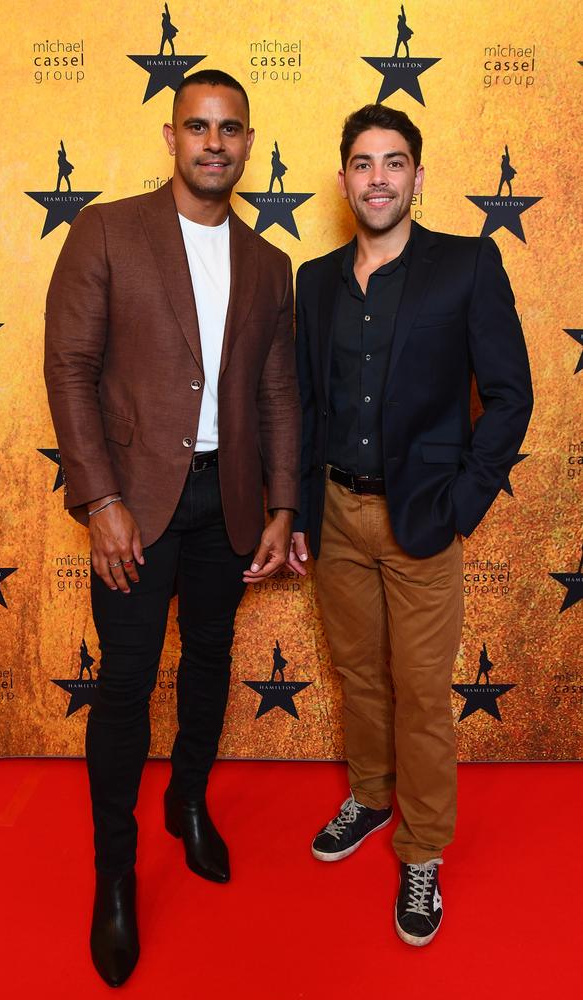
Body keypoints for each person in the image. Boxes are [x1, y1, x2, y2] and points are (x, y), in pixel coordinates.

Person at [44, 69, 300, 987]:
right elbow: (70, 368)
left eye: (230, 129)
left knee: (209, 661)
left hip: (225, 504)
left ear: (248, 140)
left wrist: (280, 505)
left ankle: (188, 803)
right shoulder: (106, 230)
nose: (214, 143)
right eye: (198, 126)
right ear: (171, 135)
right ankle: (115, 876)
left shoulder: (270, 265)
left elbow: (275, 393)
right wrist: (101, 499)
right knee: (123, 687)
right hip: (135, 508)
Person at [288, 103, 532, 947]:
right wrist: (297, 507)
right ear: (345, 176)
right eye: (363, 162)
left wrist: (464, 502)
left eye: (395, 162)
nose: (378, 177)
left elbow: (510, 397)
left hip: (423, 518)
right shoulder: (313, 279)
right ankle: (371, 792)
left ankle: (422, 848)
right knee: (358, 673)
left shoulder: (466, 266)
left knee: (423, 693)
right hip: (336, 513)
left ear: (417, 177)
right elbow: (306, 403)